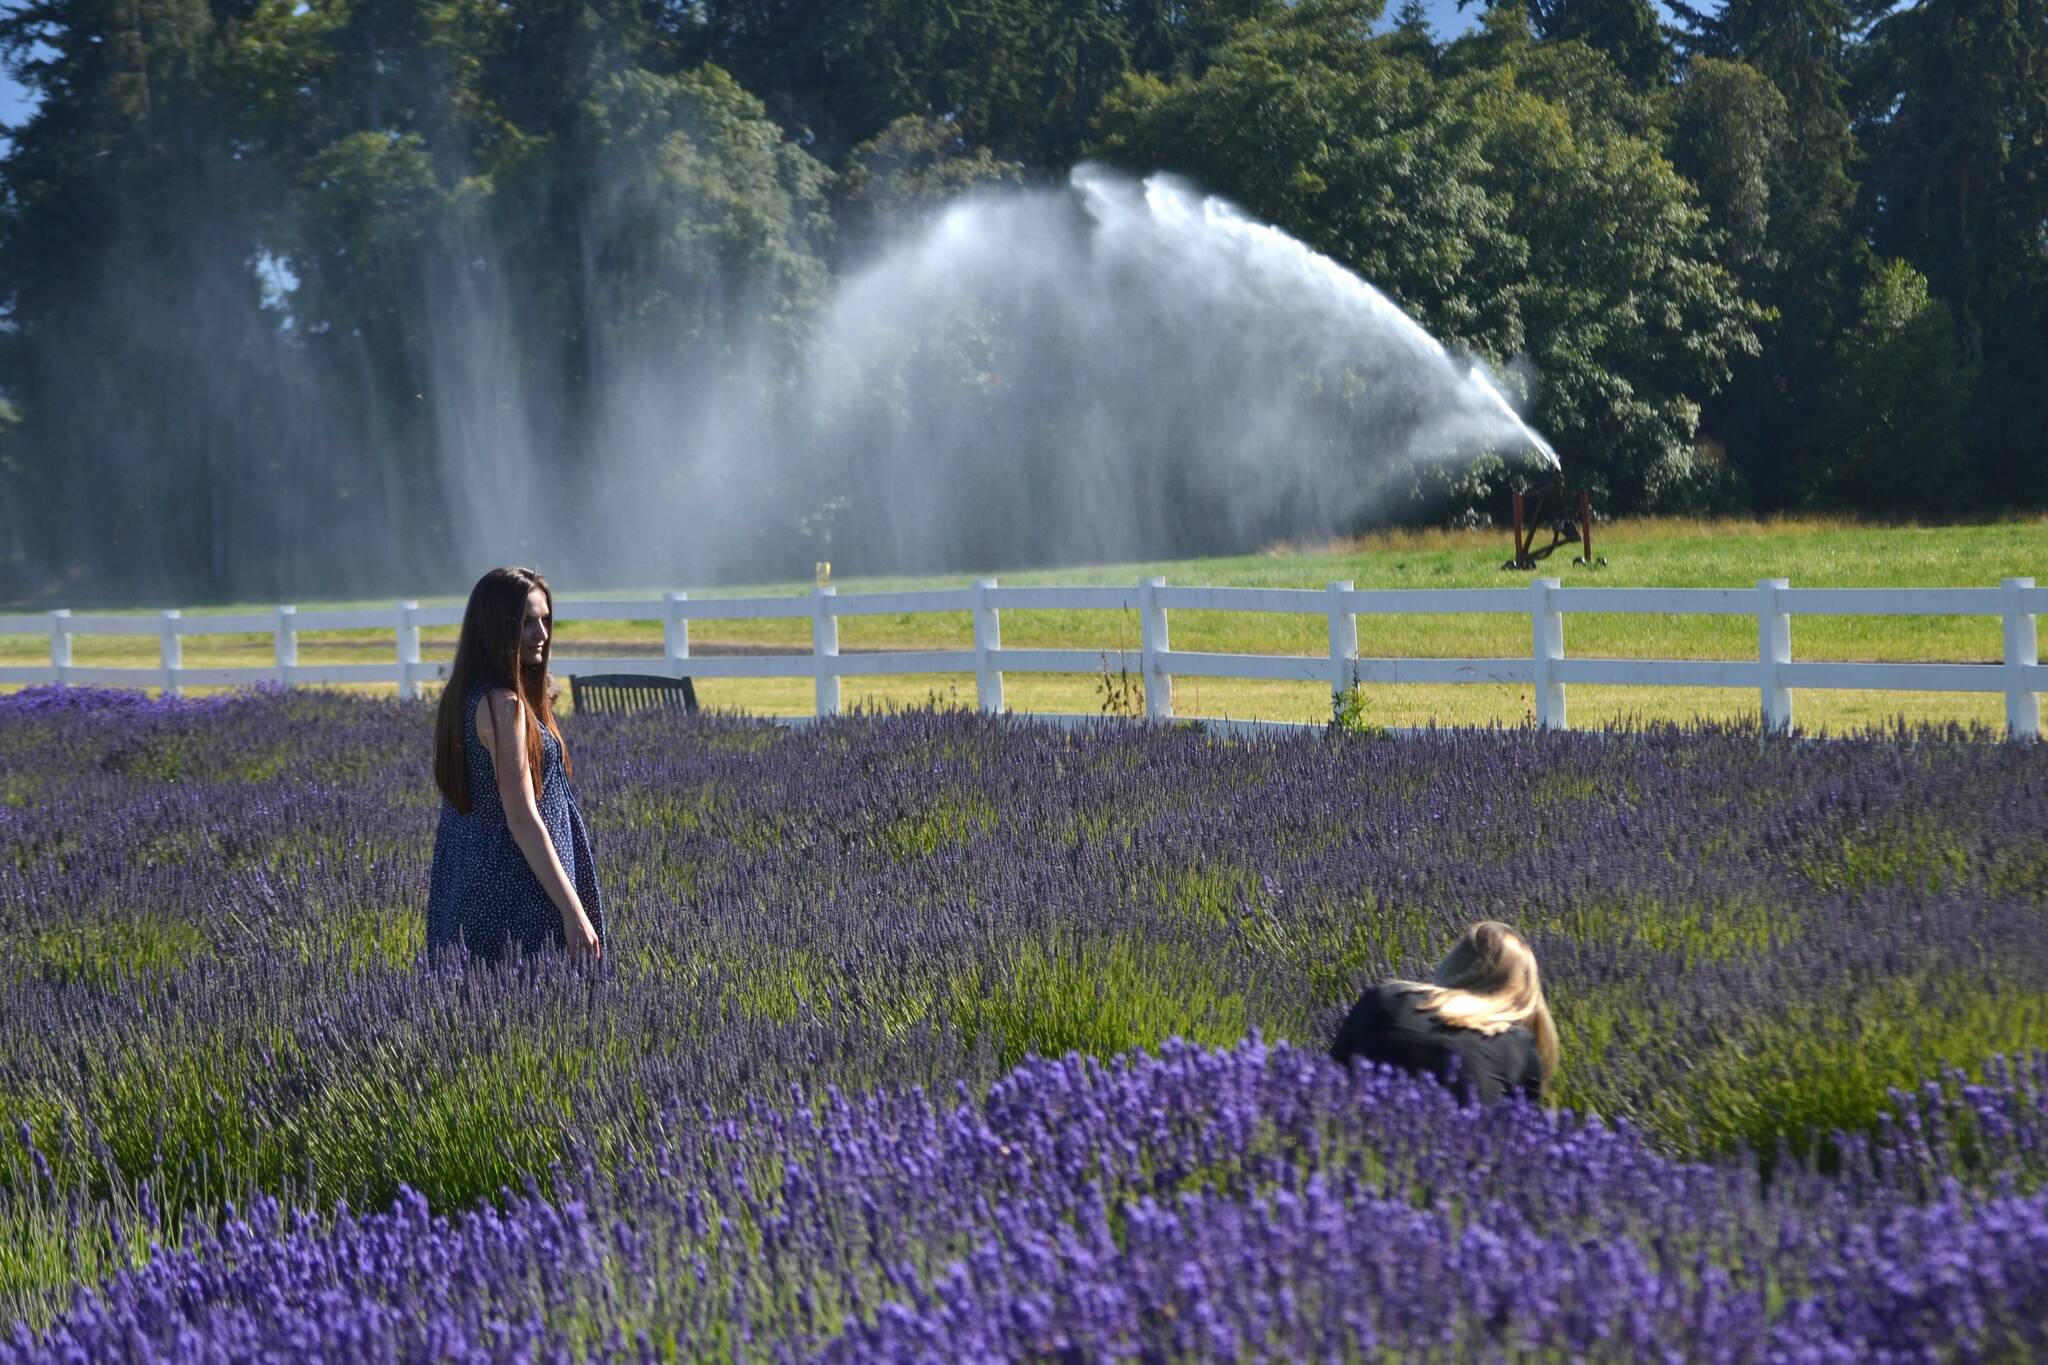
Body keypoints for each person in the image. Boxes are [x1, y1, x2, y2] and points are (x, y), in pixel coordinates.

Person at [426, 566, 605, 963]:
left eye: (545, 621)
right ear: (494, 629)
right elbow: (522, 816)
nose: (541, 635)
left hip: (468, 879)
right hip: (518, 889)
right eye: (526, 624)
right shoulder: (503, 705)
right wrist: (573, 911)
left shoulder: (467, 696)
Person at [1329, 921, 1556, 1104]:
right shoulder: (1520, 1046)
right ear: (1525, 992)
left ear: (1453, 964)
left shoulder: (1385, 997)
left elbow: (1329, 1076)